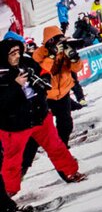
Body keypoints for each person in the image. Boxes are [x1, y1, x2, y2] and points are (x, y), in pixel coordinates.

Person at [0, 40, 85, 199]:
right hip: (15, 125)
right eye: (12, 53)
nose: (17, 56)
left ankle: (70, 172)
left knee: (56, 146)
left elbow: (44, 72)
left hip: (39, 116)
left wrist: (43, 84)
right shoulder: (1, 73)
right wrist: (15, 85)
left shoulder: (26, 62)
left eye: (18, 52)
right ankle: (7, 192)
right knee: (13, 159)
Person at [30, 29, 77, 145]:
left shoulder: (65, 50)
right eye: (59, 42)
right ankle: (30, 149)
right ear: (51, 41)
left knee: (66, 124)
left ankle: (62, 145)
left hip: (63, 92)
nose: (62, 44)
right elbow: (44, 70)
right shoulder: (38, 54)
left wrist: (74, 58)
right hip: (47, 95)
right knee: (41, 125)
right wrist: (51, 56)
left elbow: (77, 68)